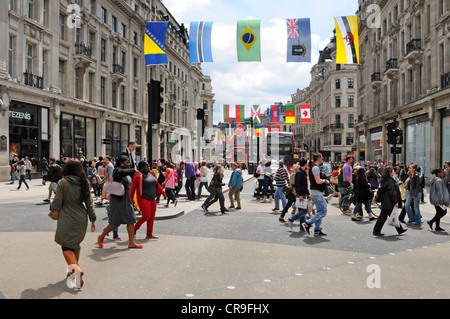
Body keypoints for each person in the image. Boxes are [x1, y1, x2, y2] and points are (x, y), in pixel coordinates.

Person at [51, 160, 96, 289]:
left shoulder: (63, 182)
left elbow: (57, 202)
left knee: (66, 246)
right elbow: (89, 203)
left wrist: (52, 207)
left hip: (67, 216)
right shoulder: (84, 183)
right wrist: (93, 218)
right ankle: (72, 272)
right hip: (81, 217)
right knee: (75, 244)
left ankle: (76, 269)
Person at [97, 156, 142, 249]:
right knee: (115, 223)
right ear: (121, 163)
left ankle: (131, 242)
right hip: (118, 198)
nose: (129, 164)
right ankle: (101, 237)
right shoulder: (117, 171)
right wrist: (133, 170)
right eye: (127, 162)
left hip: (126, 198)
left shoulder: (125, 172)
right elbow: (123, 172)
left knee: (131, 219)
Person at [130, 161, 166, 239]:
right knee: (146, 216)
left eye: (149, 166)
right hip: (143, 199)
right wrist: (131, 199)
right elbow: (132, 188)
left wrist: (163, 192)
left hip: (152, 199)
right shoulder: (138, 176)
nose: (148, 168)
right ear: (142, 168)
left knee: (151, 217)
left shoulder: (152, 174)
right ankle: (134, 229)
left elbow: (157, 184)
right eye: (146, 166)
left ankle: (149, 234)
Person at [373, 167, 407, 236]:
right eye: (393, 171)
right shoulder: (390, 181)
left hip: (386, 201)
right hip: (388, 202)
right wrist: (395, 202)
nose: (394, 172)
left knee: (391, 215)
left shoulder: (385, 180)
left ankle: (400, 229)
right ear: (390, 172)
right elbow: (392, 192)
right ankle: (376, 230)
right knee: (383, 217)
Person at [302, 153, 330, 236]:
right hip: (317, 193)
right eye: (322, 158)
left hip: (316, 192)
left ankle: (317, 229)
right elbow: (318, 181)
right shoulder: (315, 168)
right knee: (323, 211)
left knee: (319, 211)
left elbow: (314, 180)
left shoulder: (313, 168)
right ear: (319, 158)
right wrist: (325, 180)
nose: (322, 159)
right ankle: (308, 223)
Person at [287, 159, 310, 231]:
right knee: (305, 210)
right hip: (301, 194)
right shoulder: (299, 173)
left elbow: (304, 185)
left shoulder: (302, 172)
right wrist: (300, 195)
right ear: (305, 164)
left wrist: (308, 193)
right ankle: (291, 219)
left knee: (302, 211)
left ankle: (302, 227)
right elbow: (298, 185)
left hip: (303, 193)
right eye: (307, 164)